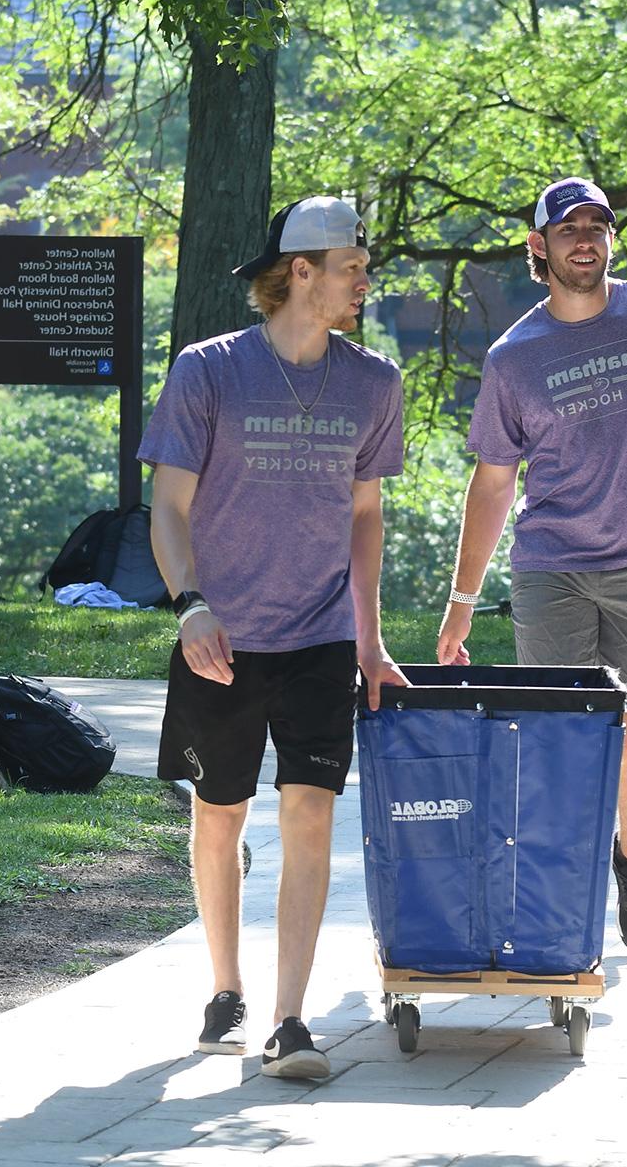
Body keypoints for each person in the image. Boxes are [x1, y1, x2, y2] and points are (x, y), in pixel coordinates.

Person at [436, 177, 627, 953]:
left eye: (598, 226)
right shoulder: (515, 357)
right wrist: (461, 599)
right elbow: (494, 481)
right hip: (552, 568)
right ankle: (558, 896)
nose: (585, 239)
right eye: (568, 227)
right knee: (556, 742)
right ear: (537, 246)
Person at [138, 196, 408, 1080]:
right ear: (301, 272)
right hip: (221, 632)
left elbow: (365, 518)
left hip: (321, 634)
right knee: (221, 816)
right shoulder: (209, 370)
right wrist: (190, 605)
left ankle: (290, 1019)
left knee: (310, 812)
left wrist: (368, 639)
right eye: (352, 268)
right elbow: (169, 508)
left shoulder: (373, 381)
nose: (365, 282)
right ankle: (227, 985)